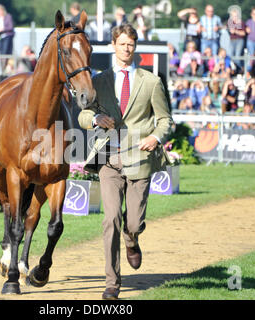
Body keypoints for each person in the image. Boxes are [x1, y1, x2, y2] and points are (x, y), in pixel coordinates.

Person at [78, 24, 173, 300]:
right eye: (122, 44)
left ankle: (133, 240)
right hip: (109, 160)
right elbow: (83, 114)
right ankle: (112, 282)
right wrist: (95, 119)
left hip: (140, 160)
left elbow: (166, 120)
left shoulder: (151, 82)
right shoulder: (99, 81)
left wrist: (155, 137)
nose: (126, 48)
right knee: (111, 220)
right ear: (113, 46)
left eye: (130, 44)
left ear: (135, 47)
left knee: (132, 223)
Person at [0, 4, 15, 70]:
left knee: (5, 52)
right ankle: (2, 68)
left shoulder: (8, 16)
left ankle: (5, 67)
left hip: (7, 36)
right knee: (1, 53)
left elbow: (10, 27)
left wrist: (2, 29)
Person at [227, 7, 246, 71]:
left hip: (239, 40)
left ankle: (241, 69)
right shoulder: (230, 22)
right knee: (231, 56)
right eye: (233, 16)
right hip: (232, 40)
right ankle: (237, 69)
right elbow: (229, 30)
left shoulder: (241, 22)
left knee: (237, 56)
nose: (234, 17)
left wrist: (235, 31)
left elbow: (243, 33)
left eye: (235, 16)